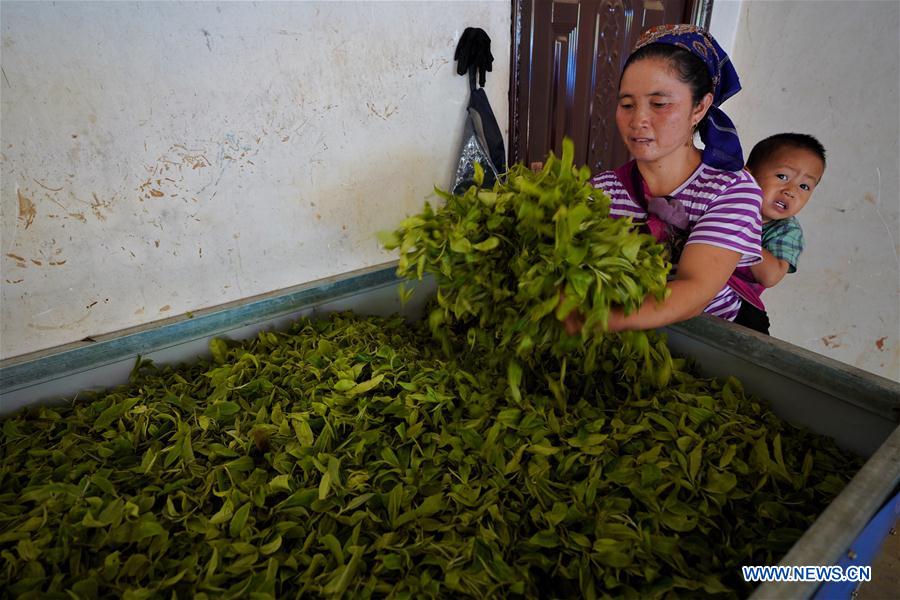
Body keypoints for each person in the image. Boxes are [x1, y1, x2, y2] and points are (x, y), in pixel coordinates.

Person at [565, 24, 762, 335]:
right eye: (627, 104)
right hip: (628, 343)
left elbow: (694, 290)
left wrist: (595, 319)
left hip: (711, 344)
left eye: (659, 104)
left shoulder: (731, 191)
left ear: (699, 107)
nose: (638, 120)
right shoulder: (602, 190)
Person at [727, 133, 826, 335]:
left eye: (804, 186)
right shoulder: (725, 198)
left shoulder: (787, 230)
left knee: (756, 333)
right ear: (748, 174)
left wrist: (736, 233)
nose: (791, 191)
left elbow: (770, 276)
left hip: (740, 300)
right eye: (782, 177)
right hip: (693, 276)